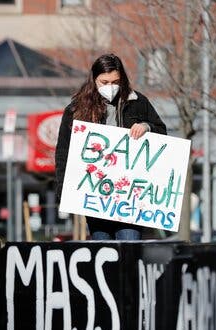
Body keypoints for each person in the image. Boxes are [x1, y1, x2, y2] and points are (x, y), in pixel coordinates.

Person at [55, 53, 167, 240]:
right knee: (103, 249)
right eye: (104, 82)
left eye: (115, 82)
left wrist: (147, 127)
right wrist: (63, 190)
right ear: (94, 80)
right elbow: (64, 152)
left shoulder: (138, 103)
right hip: (96, 194)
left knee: (129, 246)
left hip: (130, 195)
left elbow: (162, 133)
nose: (110, 87)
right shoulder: (76, 110)